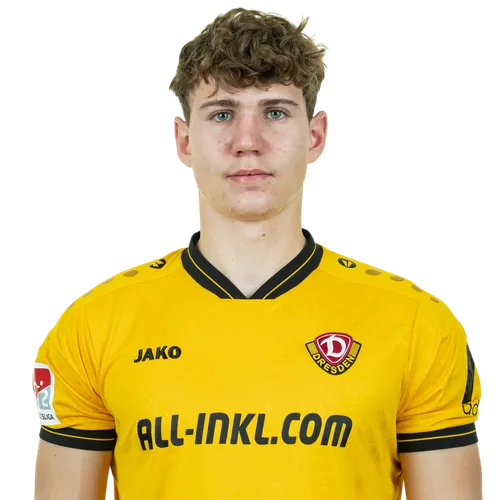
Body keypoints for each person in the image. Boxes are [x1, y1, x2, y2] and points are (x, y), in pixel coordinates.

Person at [32, 6, 484, 499]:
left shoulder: (416, 323)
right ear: (184, 141)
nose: (248, 142)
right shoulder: (93, 324)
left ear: (316, 136)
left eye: (275, 112)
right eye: (222, 114)